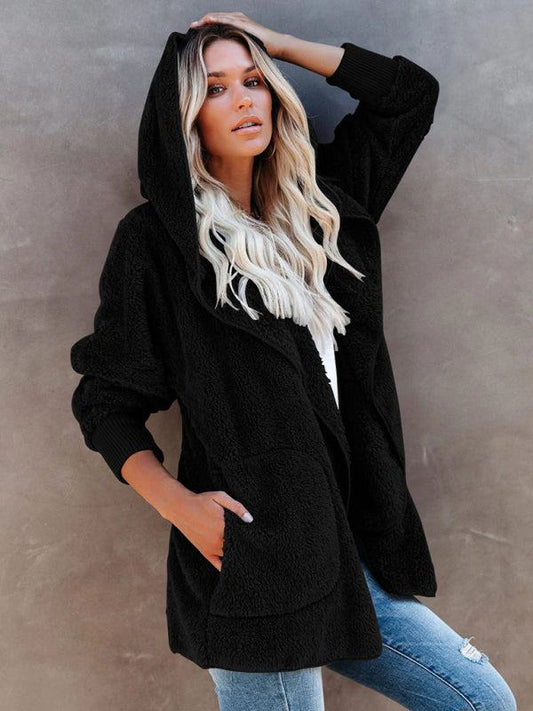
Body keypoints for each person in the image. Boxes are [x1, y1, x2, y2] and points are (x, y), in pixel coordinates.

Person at [70, 13, 517, 710]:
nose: (243, 99)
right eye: (215, 88)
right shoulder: (159, 242)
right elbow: (106, 400)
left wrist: (274, 43)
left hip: (347, 546)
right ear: (186, 116)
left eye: (254, 81)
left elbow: (409, 97)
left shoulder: (322, 212)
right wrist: (181, 508)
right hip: (254, 558)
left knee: (480, 698)